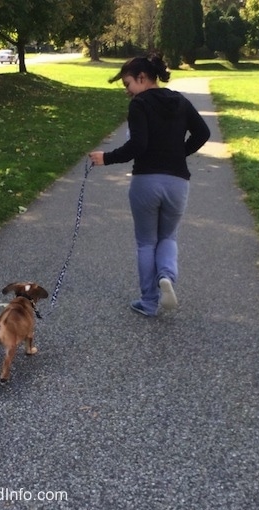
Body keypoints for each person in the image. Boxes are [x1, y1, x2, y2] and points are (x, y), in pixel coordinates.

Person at [89, 55, 210, 317]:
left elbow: (138, 146)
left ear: (142, 77)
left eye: (128, 84)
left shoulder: (139, 104)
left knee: (146, 242)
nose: (127, 91)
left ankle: (148, 302)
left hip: (146, 181)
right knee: (167, 237)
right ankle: (166, 276)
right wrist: (179, 154)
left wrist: (105, 158)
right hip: (178, 182)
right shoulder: (180, 100)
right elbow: (203, 133)